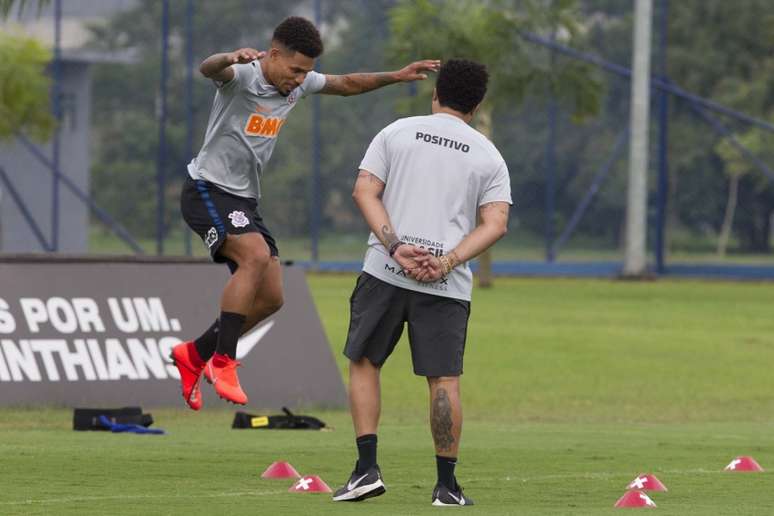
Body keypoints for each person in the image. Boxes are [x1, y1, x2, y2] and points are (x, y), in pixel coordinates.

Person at [170, 16, 439, 410]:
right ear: (273, 55)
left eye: (306, 72)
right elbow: (209, 68)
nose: (300, 79)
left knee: (273, 297)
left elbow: (346, 84)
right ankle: (223, 361)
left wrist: (396, 76)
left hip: (244, 200)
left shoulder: (296, 84)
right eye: (295, 69)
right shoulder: (243, 76)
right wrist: (229, 55)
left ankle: (194, 354)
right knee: (255, 257)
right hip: (207, 189)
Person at [332, 59, 511, 507]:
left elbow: (363, 191)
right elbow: (496, 224)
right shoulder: (488, 154)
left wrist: (395, 247)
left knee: (365, 363)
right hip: (445, 283)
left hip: (385, 270)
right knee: (443, 379)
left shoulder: (396, 132)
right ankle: (447, 487)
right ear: (475, 105)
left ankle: (366, 470)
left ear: (436, 94)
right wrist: (448, 260)